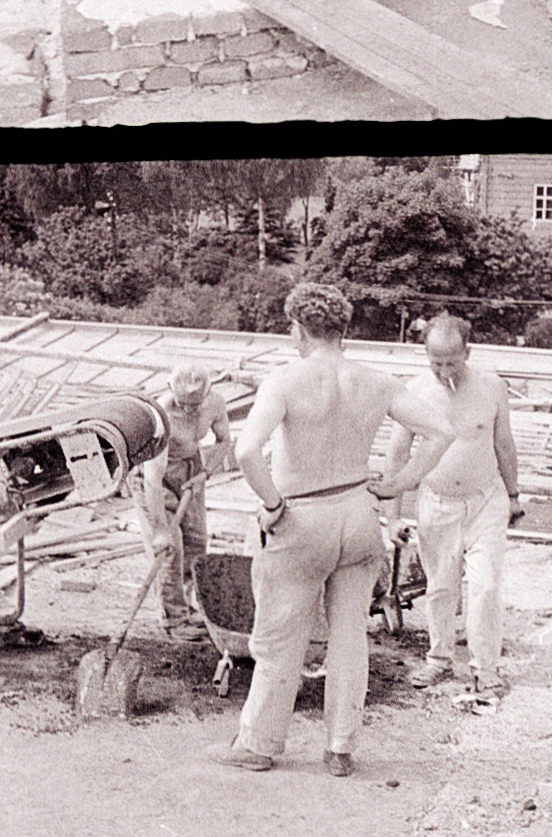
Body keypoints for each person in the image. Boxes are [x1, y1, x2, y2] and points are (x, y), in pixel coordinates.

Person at [208, 282, 458, 776]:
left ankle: (258, 743)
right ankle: (340, 746)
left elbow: (243, 452)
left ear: (299, 329)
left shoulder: (285, 379)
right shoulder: (376, 380)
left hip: (302, 517)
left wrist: (272, 503)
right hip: (357, 513)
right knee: (349, 637)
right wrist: (398, 485)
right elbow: (442, 432)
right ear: (342, 330)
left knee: (281, 636)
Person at [378, 313, 524, 699]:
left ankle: (485, 669)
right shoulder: (414, 393)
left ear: (468, 352)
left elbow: (504, 444)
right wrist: (392, 518)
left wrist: (513, 496)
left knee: (486, 585)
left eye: (452, 361)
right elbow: (397, 456)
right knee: (441, 588)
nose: (444, 370)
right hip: (437, 503)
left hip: (485, 501)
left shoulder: (492, 387)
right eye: (435, 362)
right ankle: (439, 659)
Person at [135, 364, 235, 639]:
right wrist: (158, 530)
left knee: (196, 541)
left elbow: (224, 441)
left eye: (196, 404)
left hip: (191, 470)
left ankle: (188, 607)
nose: (190, 411)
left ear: (208, 392)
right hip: (155, 477)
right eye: (184, 404)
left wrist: (204, 473)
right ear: (171, 391)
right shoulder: (160, 417)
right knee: (170, 547)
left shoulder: (215, 403)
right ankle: (174, 619)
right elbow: (152, 481)